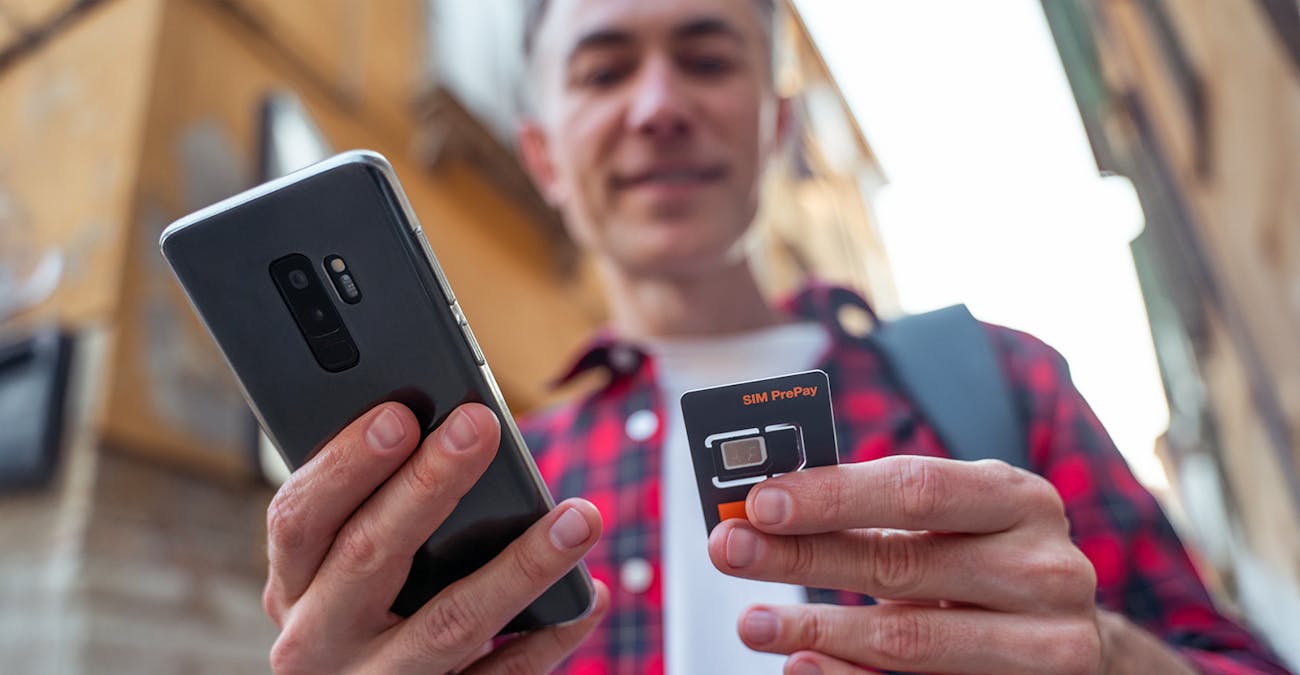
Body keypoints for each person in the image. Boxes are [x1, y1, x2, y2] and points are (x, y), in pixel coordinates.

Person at [258, 0, 1290, 673]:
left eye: (705, 58)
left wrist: (1108, 658)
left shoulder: (999, 382)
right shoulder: (497, 480)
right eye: (605, 71)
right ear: (544, 157)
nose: (658, 106)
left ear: (779, 129)